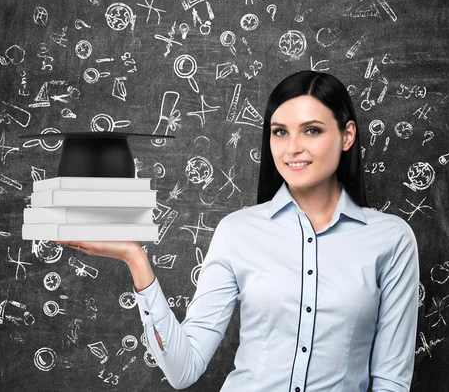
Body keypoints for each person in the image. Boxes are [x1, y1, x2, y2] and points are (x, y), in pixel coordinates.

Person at [58, 70, 420, 391]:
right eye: (280, 132)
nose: (293, 148)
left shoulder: (390, 240)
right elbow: (183, 370)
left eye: (312, 130)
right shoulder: (238, 232)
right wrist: (134, 258)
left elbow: (391, 380)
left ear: (347, 135)